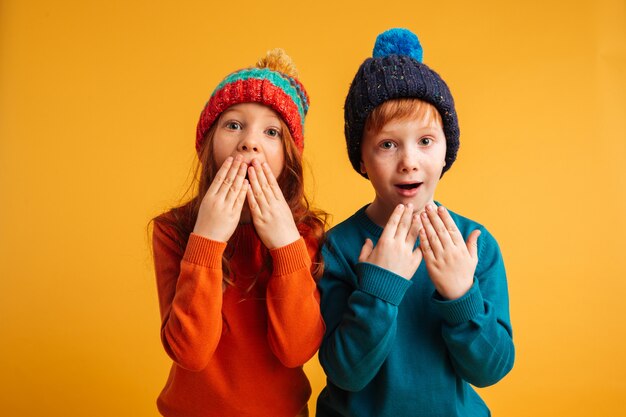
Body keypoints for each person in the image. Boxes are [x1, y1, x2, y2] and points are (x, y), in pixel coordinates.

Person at [316, 28, 515, 417]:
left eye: (425, 141)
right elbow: (346, 373)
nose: (409, 161)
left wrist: (462, 295)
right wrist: (380, 286)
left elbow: (491, 369)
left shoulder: (476, 245)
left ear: (446, 151)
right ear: (361, 160)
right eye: (388, 144)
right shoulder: (338, 248)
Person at [151, 48, 326, 417]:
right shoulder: (173, 231)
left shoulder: (307, 234)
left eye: (271, 131)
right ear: (209, 146)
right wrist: (207, 240)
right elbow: (190, 352)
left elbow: (297, 349)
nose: (250, 142)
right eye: (233, 125)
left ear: (288, 157)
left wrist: (285, 245)